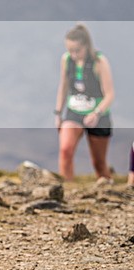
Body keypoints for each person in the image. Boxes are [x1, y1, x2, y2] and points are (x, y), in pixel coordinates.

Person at [54, 24, 114, 184]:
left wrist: (96, 113)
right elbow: (63, 86)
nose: (73, 55)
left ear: (86, 46)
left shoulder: (99, 62)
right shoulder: (66, 60)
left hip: (98, 116)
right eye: (70, 50)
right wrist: (58, 113)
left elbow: (110, 95)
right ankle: (67, 189)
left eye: (77, 51)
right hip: (74, 112)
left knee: (99, 164)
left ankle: (108, 189)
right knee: (65, 150)